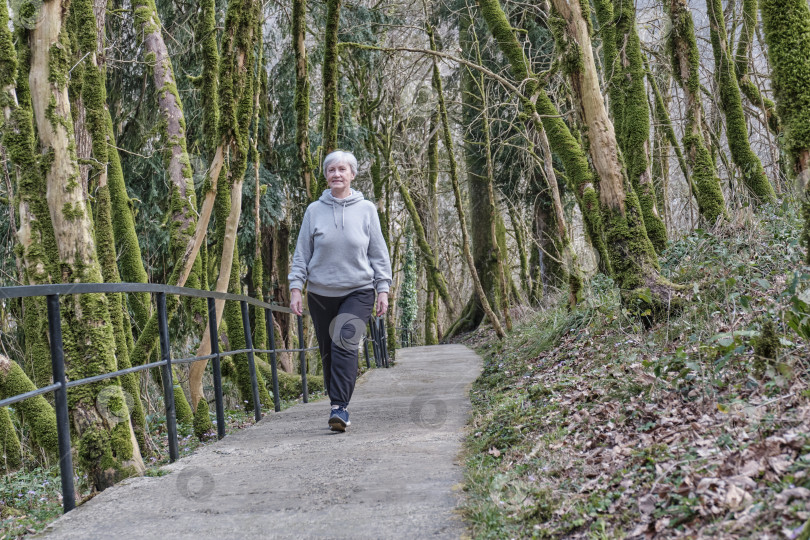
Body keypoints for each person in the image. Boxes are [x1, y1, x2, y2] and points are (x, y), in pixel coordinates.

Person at [288, 150, 392, 432]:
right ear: (326, 175)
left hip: (358, 290)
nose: (337, 174)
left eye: (342, 169)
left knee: (345, 342)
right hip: (320, 293)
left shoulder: (367, 209)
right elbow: (302, 254)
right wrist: (296, 287)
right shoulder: (314, 211)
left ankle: (339, 408)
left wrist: (383, 289)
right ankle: (338, 403)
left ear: (352, 175)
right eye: (331, 169)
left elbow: (378, 252)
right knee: (328, 351)